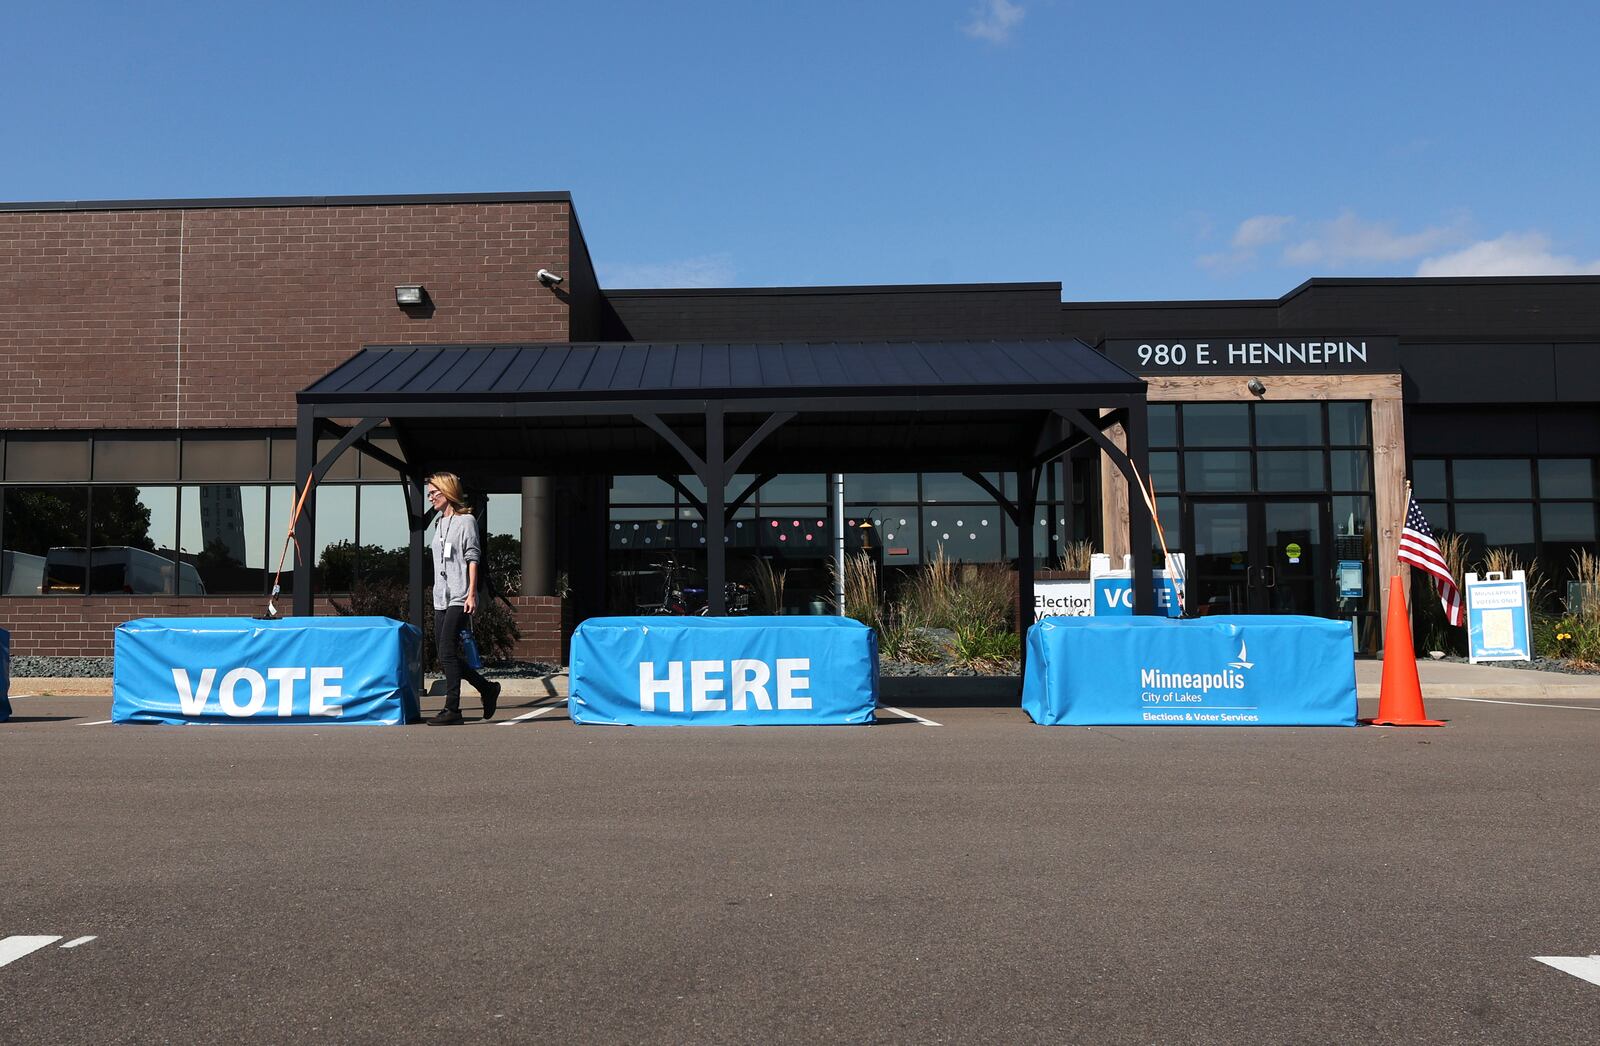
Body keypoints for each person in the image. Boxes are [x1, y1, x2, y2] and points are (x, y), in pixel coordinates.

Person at [424, 472, 501, 725]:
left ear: (447, 492)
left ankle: (453, 710)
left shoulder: (466, 520)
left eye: (434, 493)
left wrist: (471, 593)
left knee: (447, 652)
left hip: (460, 595)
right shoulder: (438, 524)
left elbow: (472, 557)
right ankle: (487, 689)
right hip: (440, 598)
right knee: (446, 655)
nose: (431, 497)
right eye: (430, 493)